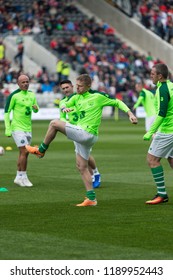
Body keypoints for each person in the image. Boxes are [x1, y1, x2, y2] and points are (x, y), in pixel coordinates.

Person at [26, 74, 137, 206]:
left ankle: (41, 150)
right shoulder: (76, 97)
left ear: (88, 86)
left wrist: (130, 114)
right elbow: (65, 103)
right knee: (82, 167)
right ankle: (91, 198)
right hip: (81, 134)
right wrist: (64, 108)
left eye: (80, 86)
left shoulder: (98, 96)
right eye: (76, 86)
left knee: (53, 124)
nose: (77, 89)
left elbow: (117, 102)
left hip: (87, 133)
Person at [59, 79, 101, 188]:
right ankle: (94, 175)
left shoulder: (81, 96)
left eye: (67, 87)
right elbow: (62, 117)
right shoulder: (64, 101)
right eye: (63, 89)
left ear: (72, 86)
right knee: (83, 156)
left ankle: (95, 174)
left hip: (85, 129)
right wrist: (66, 123)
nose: (65, 90)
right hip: (75, 130)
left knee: (85, 155)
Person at [143, 63, 173, 204]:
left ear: (160, 76)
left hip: (167, 131)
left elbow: (161, 114)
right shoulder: (171, 86)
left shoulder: (162, 90)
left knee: (152, 160)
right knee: (172, 160)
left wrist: (151, 131)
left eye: (153, 74)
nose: (151, 76)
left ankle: (162, 194)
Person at [4, 74, 39, 187]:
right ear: (18, 84)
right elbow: (6, 112)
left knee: (23, 153)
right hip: (17, 128)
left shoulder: (32, 95)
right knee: (25, 151)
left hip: (28, 128)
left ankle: (18, 177)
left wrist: (36, 108)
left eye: (27, 82)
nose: (25, 84)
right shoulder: (14, 96)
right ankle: (24, 177)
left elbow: (36, 109)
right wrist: (8, 129)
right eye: (23, 82)